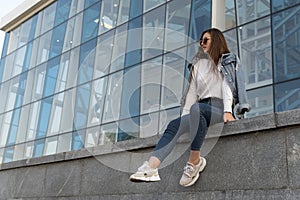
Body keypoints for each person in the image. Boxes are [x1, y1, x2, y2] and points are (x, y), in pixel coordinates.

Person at [130, 28, 248, 187]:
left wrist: (228, 110)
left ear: (216, 41)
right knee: (174, 124)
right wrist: (185, 118)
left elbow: (227, 86)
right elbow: (192, 95)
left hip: (218, 108)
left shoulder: (226, 61)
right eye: (201, 41)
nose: (202, 43)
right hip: (199, 108)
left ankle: (194, 162)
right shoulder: (198, 65)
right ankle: (151, 168)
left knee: (197, 110)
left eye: (206, 40)